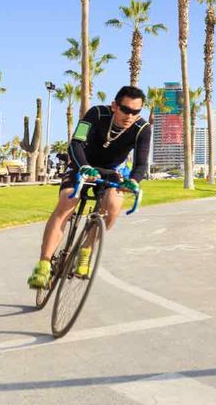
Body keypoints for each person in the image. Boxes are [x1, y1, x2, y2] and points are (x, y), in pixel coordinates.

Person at [28, 86, 150, 290]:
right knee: (68, 201)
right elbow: (76, 143)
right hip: (81, 164)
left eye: (136, 112)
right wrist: (83, 166)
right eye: (126, 110)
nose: (130, 116)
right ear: (114, 106)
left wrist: (135, 181)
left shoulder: (142, 129)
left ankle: (85, 251)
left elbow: (141, 164)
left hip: (110, 170)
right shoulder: (96, 113)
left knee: (113, 206)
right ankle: (43, 266)